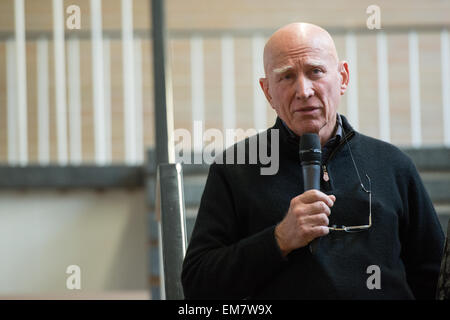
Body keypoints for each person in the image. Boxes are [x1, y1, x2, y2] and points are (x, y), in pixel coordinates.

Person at [181, 22, 444, 299]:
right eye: (286, 77)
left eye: (315, 71)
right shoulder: (235, 169)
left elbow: (435, 277)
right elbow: (198, 285)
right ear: (268, 91)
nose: (303, 90)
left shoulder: (393, 165)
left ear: (342, 77)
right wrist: (279, 239)